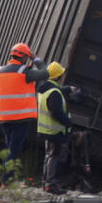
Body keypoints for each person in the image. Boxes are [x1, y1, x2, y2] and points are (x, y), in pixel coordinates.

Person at [0, 42, 48, 180]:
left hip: (3, 118)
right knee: (14, 150)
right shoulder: (24, 72)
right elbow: (45, 73)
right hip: (20, 117)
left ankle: (6, 178)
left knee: (9, 148)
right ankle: (7, 180)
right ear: (24, 57)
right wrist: (35, 59)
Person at [38, 62, 79, 195]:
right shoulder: (54, 92)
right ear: (58, 77)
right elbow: (56, 111)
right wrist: (68, 122)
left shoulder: (45, 88)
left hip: (47, 130)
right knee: (55, 157)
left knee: (49, 156)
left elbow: (58, 91)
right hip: (55, 131)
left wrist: (69, 89)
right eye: (61, 75)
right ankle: (52, 185)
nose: (63, 77)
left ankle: (46, 184)